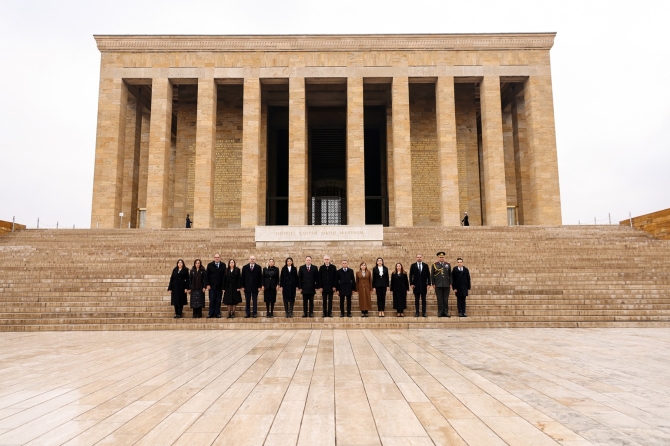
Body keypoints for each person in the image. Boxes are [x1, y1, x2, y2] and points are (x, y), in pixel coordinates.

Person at [431, 252, 452, 318]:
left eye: (442, 257)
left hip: (446, 284)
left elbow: (450, 275)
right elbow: (432, 275)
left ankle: (445, 312)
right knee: (439, 299)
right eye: (440, 257)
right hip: (438, 284)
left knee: (445, 299)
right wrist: (433, 283)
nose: (441, 258)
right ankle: (440, 312)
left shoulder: (448, 265)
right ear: (438, 258)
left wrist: (450, 283)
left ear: (444, 257)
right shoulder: (435, 265)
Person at [205, 254, 225, 318]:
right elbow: (207, 275)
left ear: (220, 258)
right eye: (216, 257)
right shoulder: (210, 265)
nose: (217, 258)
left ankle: (217, 313)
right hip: (212, 286)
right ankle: (210, 313)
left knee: (218, 300)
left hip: (219, 286)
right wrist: (207, 284)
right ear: (214, 258)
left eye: (218, 257)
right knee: (212, 299)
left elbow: (224, 276)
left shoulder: (223, 265)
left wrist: (223, 286)